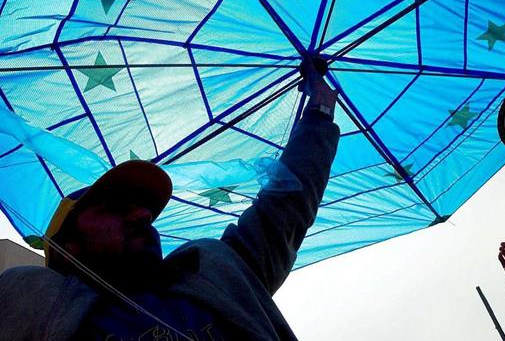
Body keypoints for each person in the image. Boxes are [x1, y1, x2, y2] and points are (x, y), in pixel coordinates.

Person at [0, 61, 340, 341]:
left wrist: (321, 113)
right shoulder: (31, 304)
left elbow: (286, 208)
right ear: (67, 248)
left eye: (145, 208)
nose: (143, 215)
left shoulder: (217, 269)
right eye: (115, 208)